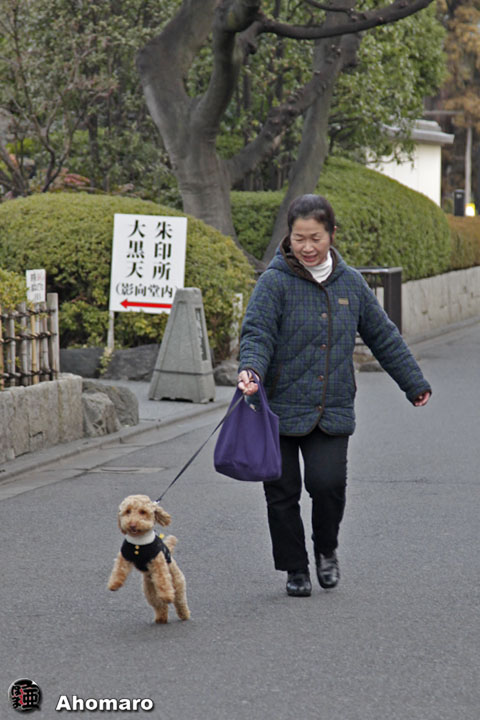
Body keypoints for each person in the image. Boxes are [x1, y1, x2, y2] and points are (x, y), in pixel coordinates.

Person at [237, 194, 431, 598]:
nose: (307, 247)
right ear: (289, 237)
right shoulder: (274, 281)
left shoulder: (351, 283)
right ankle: (295, 568)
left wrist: (413, 383)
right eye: (299, 238)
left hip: (331, 405)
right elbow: (257, 333)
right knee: (281, 493)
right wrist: (250, 370)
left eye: (316, 238)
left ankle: (326, 549)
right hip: (277, 408)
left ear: (332, 234)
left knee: (327, 485)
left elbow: (383, 336)